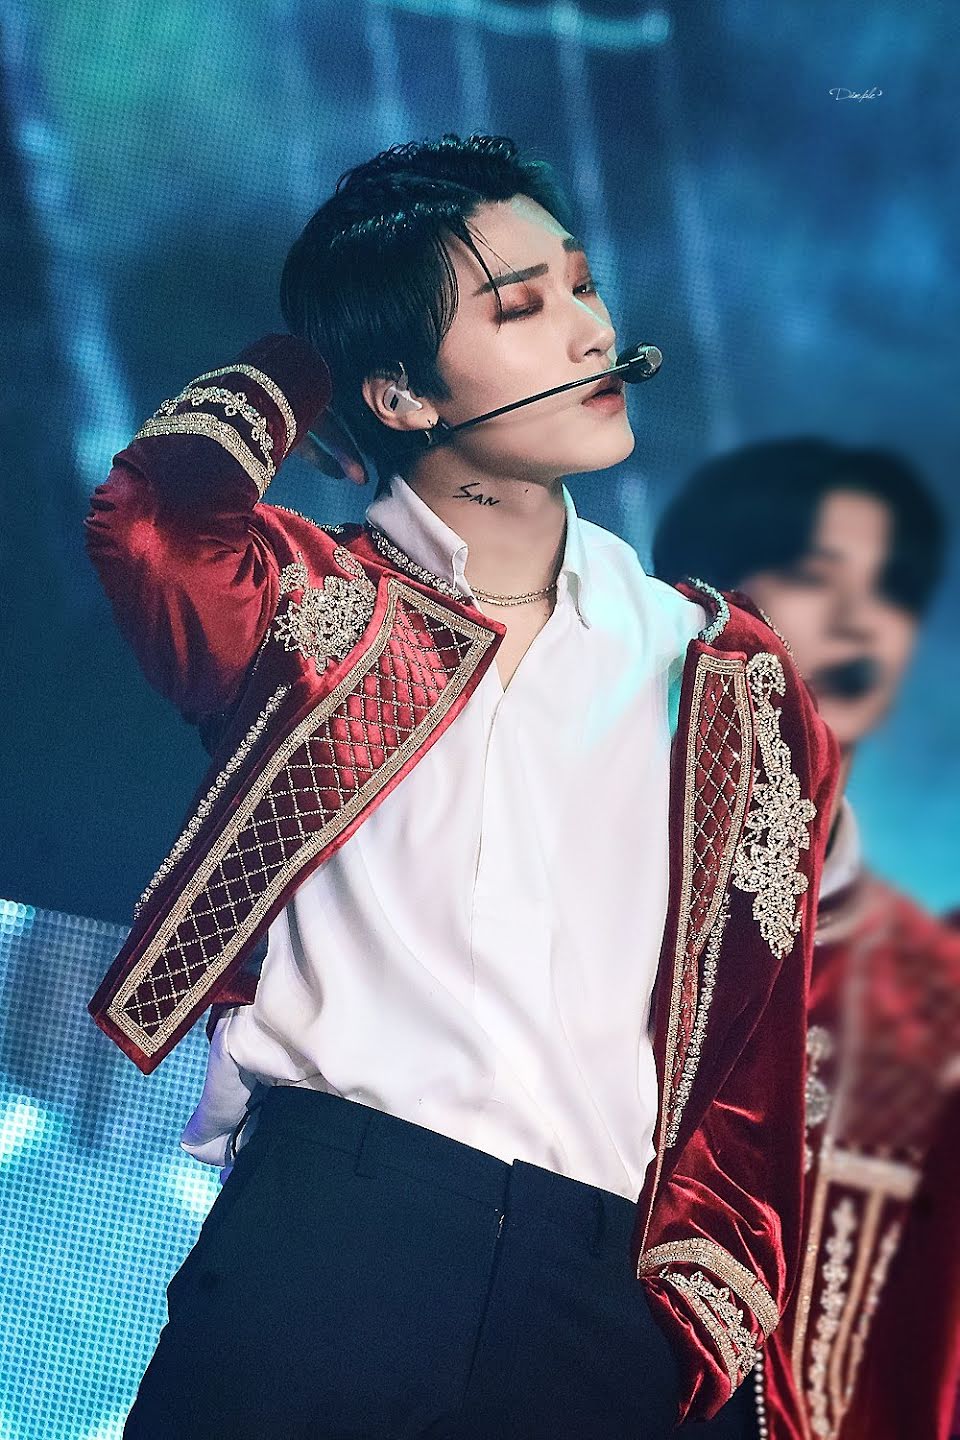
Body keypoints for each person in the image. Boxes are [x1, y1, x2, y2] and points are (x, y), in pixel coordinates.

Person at [85, 134, 837, 1439]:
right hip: (334, 1234)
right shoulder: (308, 605)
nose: (590, 332)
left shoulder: (727, 671)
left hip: (611, 1293)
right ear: (401, 392)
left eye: (584, 288)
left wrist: (719, 1307)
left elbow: (773, 1032)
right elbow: (152, 523)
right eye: (521, 308)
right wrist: (313, 363)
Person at [654, 437, 960, 1440]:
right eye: (818, 577)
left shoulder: (936, 989)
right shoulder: (605, 887)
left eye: (892, 591)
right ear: (704, 602)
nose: (863, 621)